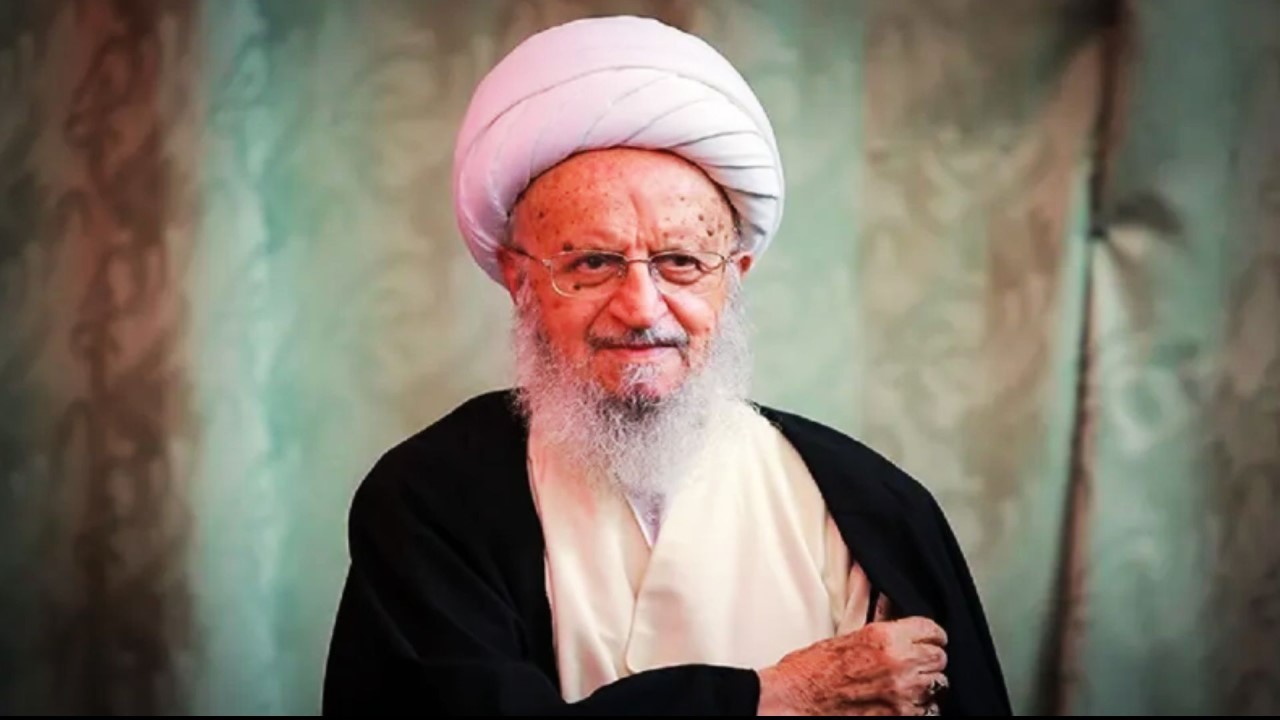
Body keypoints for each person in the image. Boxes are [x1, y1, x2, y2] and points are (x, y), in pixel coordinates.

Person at [322, 14, 1011, 717]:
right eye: (593, 263)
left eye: (681, 262)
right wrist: (775, 697)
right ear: (519, 278)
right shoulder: (430, 501)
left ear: (734, 276)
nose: (641, 308)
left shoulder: (870, 510)